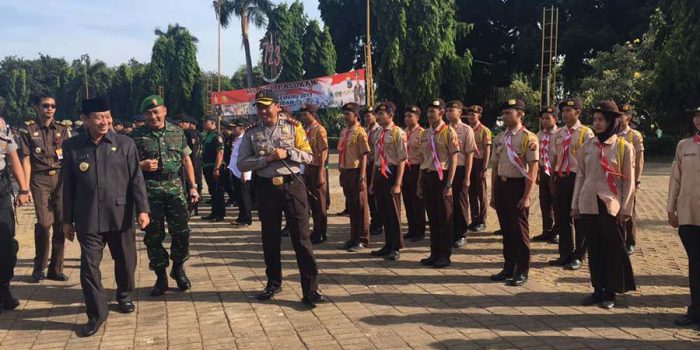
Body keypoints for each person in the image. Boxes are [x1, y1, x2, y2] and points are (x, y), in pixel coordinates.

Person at [62, 98, 150, 337]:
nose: (105, 121)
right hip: (87, 217)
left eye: (108, 116)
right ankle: (97, 313)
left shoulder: (125, 144)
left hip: (120, 215)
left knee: (126, 261)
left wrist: (143, 209)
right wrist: (67, 220)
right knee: (88, 268)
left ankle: (124, 295)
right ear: (86, 119)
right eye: (99, 117)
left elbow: (136, 179)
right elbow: (67, 187)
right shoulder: (72, 147)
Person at [237, 90, 324, 306]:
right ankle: (273, 282)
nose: (263, 111)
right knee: (270, 238)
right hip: (266, 188)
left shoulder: (294, 127)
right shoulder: (251, 133)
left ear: (277, 106)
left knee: (301, 238)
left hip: (292, 186)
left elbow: (310, 156)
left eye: (267, 106)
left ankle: (311, 289)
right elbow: (242, 163)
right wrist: (263, 161)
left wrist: (289, 153)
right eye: (259, 107)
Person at [131, 95, 200, 296]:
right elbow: (126, 164)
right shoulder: (136, 136)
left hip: (175, 187)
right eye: (148, 113)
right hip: (150, 190)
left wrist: (193, 187)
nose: (153, 116)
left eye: (156, 111)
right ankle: (160, 276)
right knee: (153, 235)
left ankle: (178, 268)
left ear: (165, 111)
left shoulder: (177, 132)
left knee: (182, 232)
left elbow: (186, 160)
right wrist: (140, 166)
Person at [572, 100, 636, 309]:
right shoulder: (587, 146)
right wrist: (575, 204)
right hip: (589, 202)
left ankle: (611, 291)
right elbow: (580, 176)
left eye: (601, 120)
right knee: (595, 247)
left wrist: (626, 209)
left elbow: (628, 181)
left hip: (611, 204)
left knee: (612, 248)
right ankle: (597, 289)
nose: (597, 124)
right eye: (595, 120)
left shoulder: (623, 146)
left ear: (611, 122)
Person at [19, 94, 72, 282]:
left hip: (60, 178)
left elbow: (69, 156)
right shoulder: (28, 130)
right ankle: (39, 266)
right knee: (43, 224)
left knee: (61, 223)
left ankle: (55, 269)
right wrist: (24, 188)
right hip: (39, 178)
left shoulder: (63, 130)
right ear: (36, 107)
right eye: (45, 105)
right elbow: (25, 159)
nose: (50, 109)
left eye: (53, 106)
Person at [489, 99, 539, 286]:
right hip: (502, 186)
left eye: (509, 112)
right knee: (507, 230)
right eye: (504, 113)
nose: (505, 116)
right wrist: (493, 194)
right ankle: (508, 267)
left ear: (520, 114)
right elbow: (495, 167)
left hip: (517, 186)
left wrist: (526, 196)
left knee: (519, 231)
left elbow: (533, 169)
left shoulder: (528, 138)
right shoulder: (500, 137)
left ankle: (522, 270)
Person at [548, 98, 594, 270]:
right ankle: (564, 254)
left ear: (578, 112)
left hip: (577, 178)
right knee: (562, 218)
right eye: (563, 111)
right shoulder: (558, 134)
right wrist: (552, 178)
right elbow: (554, 158)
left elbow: (589, 161)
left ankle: (579, 255)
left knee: (579, 218)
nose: (565, 114)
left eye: (569, 110)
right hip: (561, 178)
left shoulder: (586, 133)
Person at [667, 106, 700, 328]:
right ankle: (695, 309)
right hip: (689, 212)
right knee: (695, 263)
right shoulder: (684, 146)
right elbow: (675, 179)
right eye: (697, 116)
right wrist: (671, 208)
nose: (698, 120)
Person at [418, 99, 459, 268]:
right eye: (428, 112)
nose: (429, 115)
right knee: (433, 218)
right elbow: (423, 159)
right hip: (428, 176)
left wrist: (449, 184)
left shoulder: (449, 132)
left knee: (445, 218)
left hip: (442, 177)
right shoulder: (426, 134)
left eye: (432, 112)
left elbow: (454, 158)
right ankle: (434, 252)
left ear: (441, 113)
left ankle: (445, 254)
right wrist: (420, 182)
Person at [369, 102, 407, 260]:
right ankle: (387, 243)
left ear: (390, 115)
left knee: (393, 212)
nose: (378, 116)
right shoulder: (378, 134)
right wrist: (372, 182)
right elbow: (377, 158)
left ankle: (396, 246)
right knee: (383, 211)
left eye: (381, 114)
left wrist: (398, 183)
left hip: (392, 173)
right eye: (377, 114)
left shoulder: (398, 133)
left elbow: (402, 159)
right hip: (379, 173)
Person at [0, 116, 31, 313]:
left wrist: (24, 189)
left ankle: (3, 289)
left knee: (5, 242)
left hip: (1, 188)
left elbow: (13, 157)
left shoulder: (1, 125)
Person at [337, 103, 371, 252]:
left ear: (356, 115)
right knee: (351, 206)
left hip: (357, 171)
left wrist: (362, 176)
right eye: (344, 114)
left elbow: (364, 155)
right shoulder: (345, 131)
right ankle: (353, 236)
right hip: (346, 171)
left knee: (361, 207)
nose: (345, 117)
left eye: (348, 114)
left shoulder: (360, 132)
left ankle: (362, 239)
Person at [445, 101, 477, 248]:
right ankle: (450, 233)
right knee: (447, 204)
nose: (449, 113)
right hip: (444, 170)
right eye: (447, 111)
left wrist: (467, 177)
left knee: (461, 203)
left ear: (459, 113)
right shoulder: (443, 129)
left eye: (452, 110)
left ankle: (462, 234)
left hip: (460, 169)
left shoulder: (466, 130)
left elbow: (470, 154)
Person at [617, 103, 645, 255]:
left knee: (629, 210)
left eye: (622, 115)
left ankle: (630, 242)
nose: (619, 118)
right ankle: (619, 240)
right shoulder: (612, 134)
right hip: (614, 179)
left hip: (629, 178)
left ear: (629, 117)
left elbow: (640, 159)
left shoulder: (634, 135)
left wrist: (637, 180)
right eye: (618, 115)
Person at [300, 104, 329, 244]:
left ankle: (322, 232)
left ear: (312, 114)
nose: (303, 117)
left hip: (317, 167)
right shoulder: (305, 129)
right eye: (302, 114)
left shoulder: (319, 129)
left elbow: (324, 150)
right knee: (311, 201)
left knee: (320, 202)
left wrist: (322, 172)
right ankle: (316, 230)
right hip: (308, 167)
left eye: (305, 114)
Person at [532, 106, 560, 244]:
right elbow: (537, 157)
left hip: (556, 171)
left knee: (557, 203)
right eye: (542, 118)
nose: (544, 121)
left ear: (555, 119)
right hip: (543, 171)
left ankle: (557, 231)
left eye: (548, 118)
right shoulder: (539, 135)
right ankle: (546, 231)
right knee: (544, 202)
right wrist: (537, 173)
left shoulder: (560, 134)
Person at [465, 105, 491, 232]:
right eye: (469, 114)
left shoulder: (484, 130)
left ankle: (482, 220)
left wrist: (485, 167)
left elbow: (487, 150)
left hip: (479, 163)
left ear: (479, 116)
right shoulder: (467, 129)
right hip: (469, 163)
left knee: (482, 193)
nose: (470, 117)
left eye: (473, 114)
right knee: (471, 192)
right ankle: (474, 219)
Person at [402, 105, 426, 242]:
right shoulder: (403, 132)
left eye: (410, 116)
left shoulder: (423, 133)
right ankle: (411, 228)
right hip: (405, 168)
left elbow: (425, 155)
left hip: (418, 168)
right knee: (408, 200)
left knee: (418, 201)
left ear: (417, 117)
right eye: (405, 116)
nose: (407, 119)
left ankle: (420, 230)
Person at [227, 119, 252, 227]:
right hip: (236, 171)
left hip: (242, 172)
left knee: (244, 196)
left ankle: (246, 218)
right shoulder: (238, 138)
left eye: (235, 127)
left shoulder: (245, 139)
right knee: (239, 196)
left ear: (242, 128)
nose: (233, 129)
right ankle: (241, 217)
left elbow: (247, 157)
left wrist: (245, 172)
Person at [200, 116, 226, 222]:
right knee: (212, 191)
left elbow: (220, 152)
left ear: (213, 122)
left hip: (214, 167)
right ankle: (214, 212)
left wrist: (217, 168)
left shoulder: (217, 135)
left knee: (217, 191)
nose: (204, 124)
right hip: (207, 166)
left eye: (206, 122)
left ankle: (220, 214)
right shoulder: (208, 135)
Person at [178, 115, 203, 215]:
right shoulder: (194, 134)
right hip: (194, 164)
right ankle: (193, 207)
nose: (180, 124)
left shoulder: (189, 134)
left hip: (192, 164)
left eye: (182, 122)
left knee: (191, 187)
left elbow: (191, 152)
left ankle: (193, 208)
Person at [363, 106, 383, 235]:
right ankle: (374, 221)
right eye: (365, 116)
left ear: (375, 116)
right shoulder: (365, 130)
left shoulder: (380, 130)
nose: (367, 118)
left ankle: (379, 223)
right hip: (367, 166)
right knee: (369, 196)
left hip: (377, 166)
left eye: (369, 115)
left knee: (377, 196)